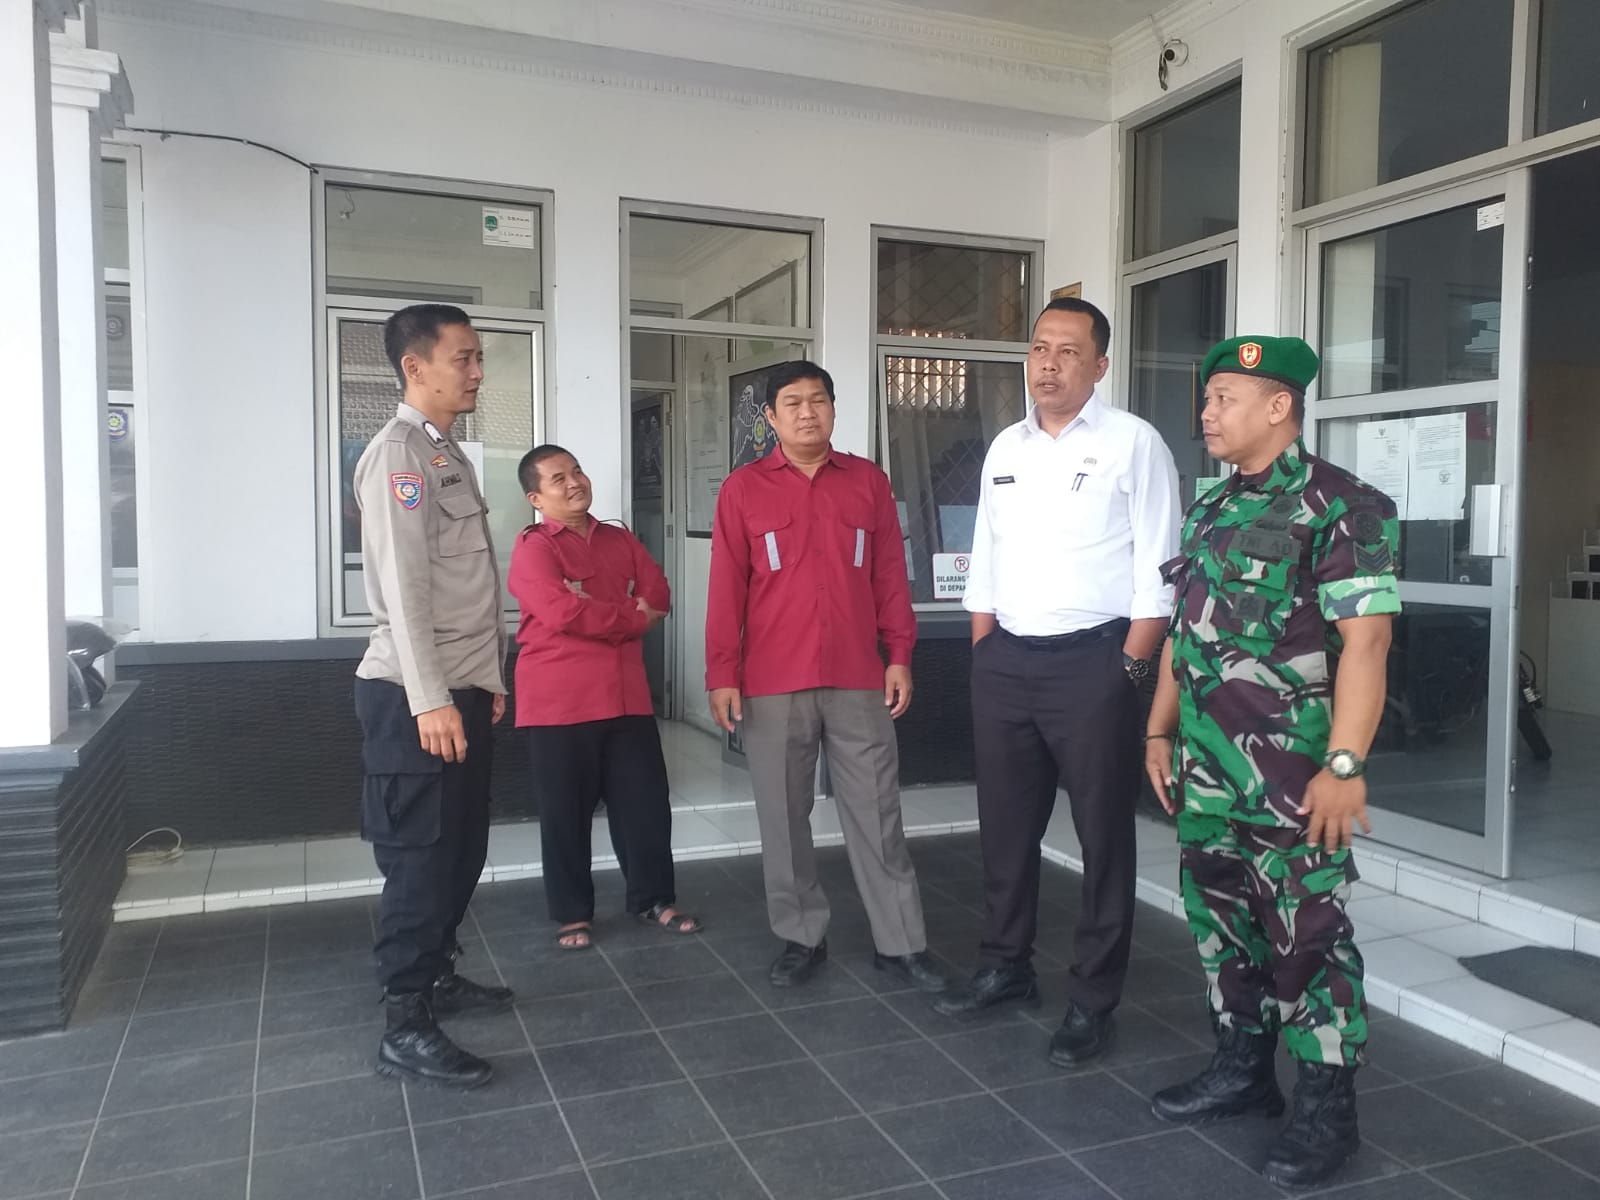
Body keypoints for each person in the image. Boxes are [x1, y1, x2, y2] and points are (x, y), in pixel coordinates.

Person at [1144, 335, 1398, 1190]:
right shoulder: (1210, 509)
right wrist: (1157, 732)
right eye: (1208, 398)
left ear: (1278, 406)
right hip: (1208, 774)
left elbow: (1368, 643)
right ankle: (1243, 1070)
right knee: (1222, 926)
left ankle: (1329, 1111)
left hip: (1293, 778)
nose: (1206, 414)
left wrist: (1345, 764)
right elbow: (1184, 634)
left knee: (1308, 940)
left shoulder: (1342, 506)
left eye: (1223, 398)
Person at [934, 299, 1181, 1070]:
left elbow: (1160, 571)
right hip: (1006, 662)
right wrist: (985, 650)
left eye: (1068, 351)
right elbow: (986, 555)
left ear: (1099, 365)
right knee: (1006, 829)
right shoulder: (1004, 447)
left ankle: (1092, 999)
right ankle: (1005, 965)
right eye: (1040, 348)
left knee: (1103, 837)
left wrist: (1128, 671)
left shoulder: (1133, 444)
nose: (1048, 363)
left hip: (1094, 663)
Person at [706, 360, 942, 993]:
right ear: (771, 417)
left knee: (877, 811)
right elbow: (726, 589)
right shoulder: (743, 490)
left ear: (834, 409)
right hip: (771, 680)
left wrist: (899, 654)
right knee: (783, 816)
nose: (807, 412)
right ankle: (801, 935)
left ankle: (901, 942)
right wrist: (721, 673)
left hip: (858, 675)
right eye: (793, 403)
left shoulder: (867, 483)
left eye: (818, 400)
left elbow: (890, 576)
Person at [353, 303, 513, 1091]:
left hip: (461, 688)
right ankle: (405, 1022)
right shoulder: (398, 456)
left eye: (479, 358)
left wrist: (488, 680)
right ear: (415, 367)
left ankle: (438, 973)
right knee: (420, 863)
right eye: (464, 359)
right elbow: (405, 593)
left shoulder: (446, 453)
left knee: (461, 850)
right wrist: (430, 700)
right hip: (415, 697)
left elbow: (470, 588)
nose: (477, 372)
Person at [507, 444, 702, 949]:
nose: (574, 482)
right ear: (536, 498)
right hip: (560, 702)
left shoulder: (619, 538)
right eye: (558, 479)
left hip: (626, 697)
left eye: (577, 472)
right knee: (565, 814)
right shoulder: (534, 548)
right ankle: (572, 913)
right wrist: (630, 616)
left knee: (645, 806)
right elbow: (561, 612)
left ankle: (653, 899)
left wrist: (597, 607)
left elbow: (659, 594)